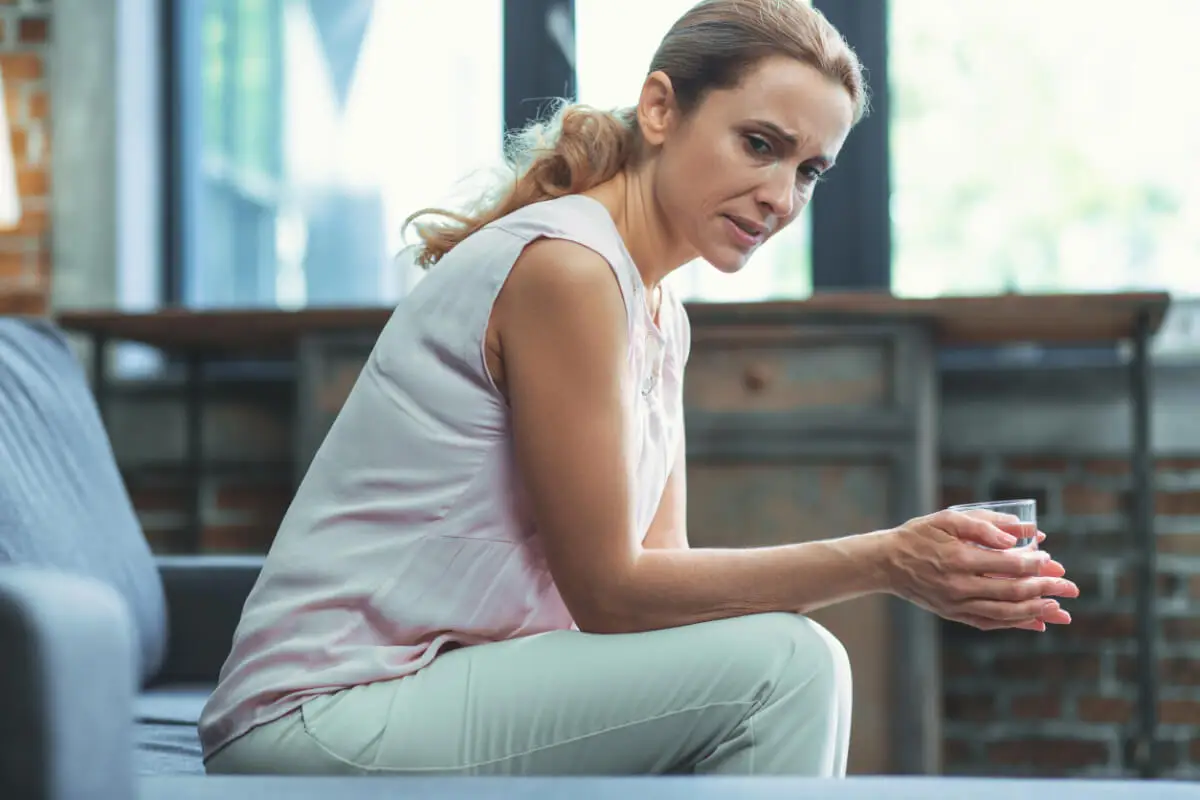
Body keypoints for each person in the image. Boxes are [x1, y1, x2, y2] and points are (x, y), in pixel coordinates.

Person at [200, 0, 1078, 778]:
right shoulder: (570, 270)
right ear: (661, 108)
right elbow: (610, 594)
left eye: (809, 171)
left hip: (430, 684)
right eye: (760, 144)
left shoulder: (658, 309)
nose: (779, 197)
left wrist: (900, 561)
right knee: (792, 667)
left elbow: (661, 580)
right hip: (323, 710)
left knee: (780, 661)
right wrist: (889, 559)